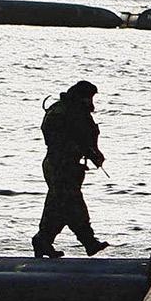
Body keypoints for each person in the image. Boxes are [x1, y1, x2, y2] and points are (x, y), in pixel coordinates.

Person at [34, 80, 107, 257]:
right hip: (62, 165)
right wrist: (89, 151)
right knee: (71, 204)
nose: (92, 102)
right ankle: (87, 242)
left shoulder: (64, 110)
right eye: (90, 97)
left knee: (61, 206)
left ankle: (44, 241)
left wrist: (91, 152)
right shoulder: (68, 113)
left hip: (63, 164)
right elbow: (65, 140)